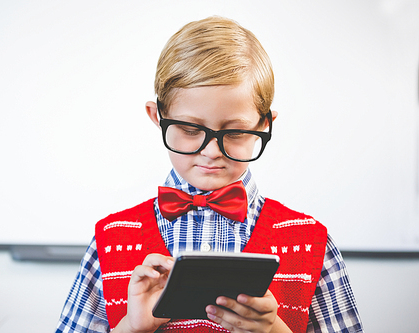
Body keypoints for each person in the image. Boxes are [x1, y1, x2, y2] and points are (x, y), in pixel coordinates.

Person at [56, 16, 363, 333]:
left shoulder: (311, 243)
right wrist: (131, 328)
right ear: (157, 117)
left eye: (235, 132)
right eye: (190, 129)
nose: (212, 151)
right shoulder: (111, 240)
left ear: (264, 125)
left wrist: (274, 330)